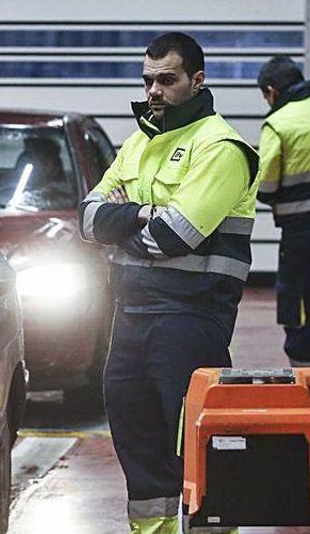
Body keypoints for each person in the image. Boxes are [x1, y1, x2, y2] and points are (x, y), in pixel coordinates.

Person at [78, 32, 259, 533]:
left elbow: (172, 237)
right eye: (147, 80)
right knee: (141, 455)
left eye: (167, 80)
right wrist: (142, 215)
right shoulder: (141, 142)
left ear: (197, 80)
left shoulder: (221, 148)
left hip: (190, 322)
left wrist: (126, 221)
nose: (154, 90)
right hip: (130, 319)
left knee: (201, 456)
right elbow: (88, 220)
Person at [255, 56, 310, 370]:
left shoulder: (278, 124)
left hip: (303, 245)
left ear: (272, 92)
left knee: (303, 321)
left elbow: (266, 187)